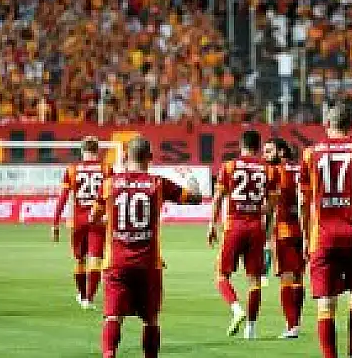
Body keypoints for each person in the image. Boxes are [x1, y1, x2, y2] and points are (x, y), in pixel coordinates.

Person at [90, 136, 202, 358]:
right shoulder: (158, 184)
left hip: (116, 263)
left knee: (113, 317)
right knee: (150, 320)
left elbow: (94, 217)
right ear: (150, 157)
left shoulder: (109, 184)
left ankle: (109, 354)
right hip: (148, 264)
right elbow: (195, 198)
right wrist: (191, 179)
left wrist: (113, 221)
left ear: (125, 156)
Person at [298, 103, 352, 358]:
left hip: (322, 237)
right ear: (351, 126)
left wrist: (305, 238)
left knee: (326, 305)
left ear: (327, 124)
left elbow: (302, 202)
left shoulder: (309, 154)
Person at [208, 130, 279, 339]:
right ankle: (251, 328)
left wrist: (212, 224)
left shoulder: (229, 166)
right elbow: (272, 205)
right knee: (255, 280)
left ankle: (236, 309)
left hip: (234, 226)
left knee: (221, 275)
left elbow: (218, 197)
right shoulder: (269, 169)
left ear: (241, 145)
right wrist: (257, 210)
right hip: (256, 227)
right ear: (258, 147)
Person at [52, 136, 112, 309]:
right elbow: (113, 195)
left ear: (82, 150)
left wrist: (55, 223)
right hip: (98, 219)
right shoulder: (106, 168)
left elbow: (63, 197)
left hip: (78, 221)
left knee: (80, 260)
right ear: (97, 151)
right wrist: (110, 215)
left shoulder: (72, 169)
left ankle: (82, 294)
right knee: (96, 259)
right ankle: (88, 299)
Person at [264, 138, 305, 339]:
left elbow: (270, 206)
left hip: (284, 230)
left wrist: (264, 235)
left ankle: (291, 326)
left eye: (269, 151)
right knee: (298, 277)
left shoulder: (275, 171)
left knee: (286, 278)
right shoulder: (301, 169)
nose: (265, 155)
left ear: (281, 152)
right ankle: (296, 322)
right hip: (304, 230)